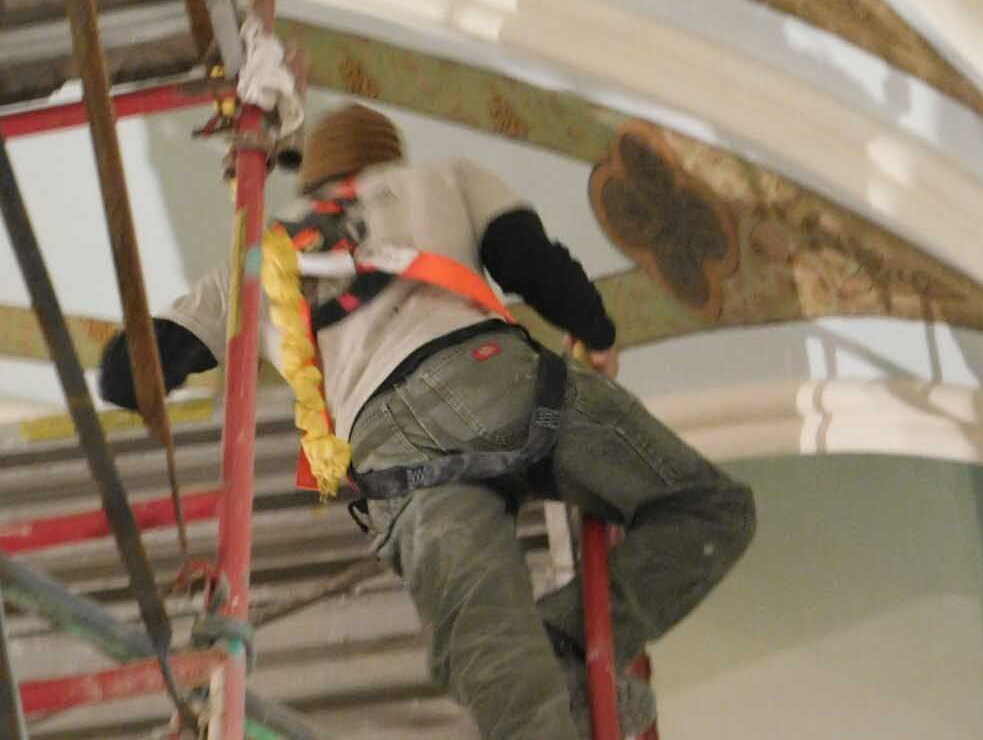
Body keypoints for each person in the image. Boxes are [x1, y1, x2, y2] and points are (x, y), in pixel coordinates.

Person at [99, 102, 756, 738]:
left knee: (495, 653)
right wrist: (599, 336)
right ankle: (565, 632)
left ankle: (537, 660)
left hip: (395, 457)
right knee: (706, 509)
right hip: (498, 381)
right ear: (387, 155)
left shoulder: (258, 257)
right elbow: (534, 266)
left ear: (312, 181)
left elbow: (131, 378)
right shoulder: (445, 177)